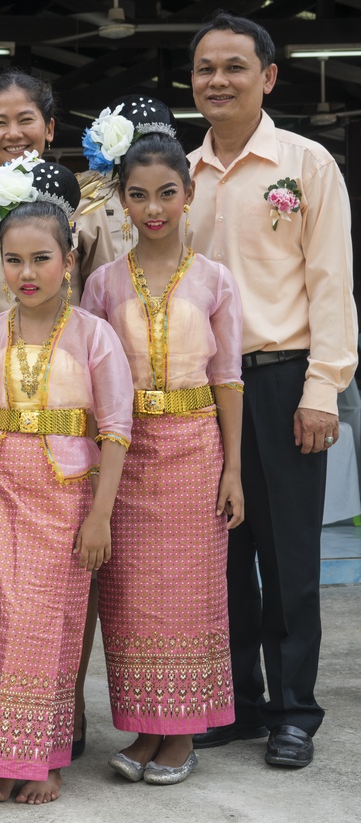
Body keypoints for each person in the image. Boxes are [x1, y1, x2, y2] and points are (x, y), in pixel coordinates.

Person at [186, 12, 357, 769]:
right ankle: (240, 703)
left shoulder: (305, 163)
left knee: (288, 558)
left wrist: (324, 388)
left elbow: (331, 284)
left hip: (284, 379)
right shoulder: (178, 175)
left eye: (233, 67)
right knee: (222, 555)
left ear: (269, 77)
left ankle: (294, 710)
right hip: (200, 393)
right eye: (204, 69)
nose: (217, 80)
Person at [0, 162, 132, 804]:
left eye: (41, 259)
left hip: (66, 497)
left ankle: (46, 759)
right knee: (1, 622)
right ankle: (2, 757)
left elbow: (114, 431)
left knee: (50, 624)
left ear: (69, 260)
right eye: (13, 260)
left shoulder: (96, 336)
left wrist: (101, 517)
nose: (26, 274)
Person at [80, 97, 244, 785]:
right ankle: (146, 727)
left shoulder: (214, 280)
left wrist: (233, 467)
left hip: (194, 446)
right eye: (139, 195)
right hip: (126, 454)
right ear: (120, 198)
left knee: (187, 592)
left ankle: (181, 735)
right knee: (132, 595)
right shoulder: (101, 282)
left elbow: (229, 377)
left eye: (166, 194)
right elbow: (88, 382)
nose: (153, 208)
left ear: (189, 193)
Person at [0, 69, 122, 324]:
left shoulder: (84, 204)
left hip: (71, 357)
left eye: (25, 120)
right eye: (0, 123)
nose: (13, 134)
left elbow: (105, 300)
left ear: (49, 128)